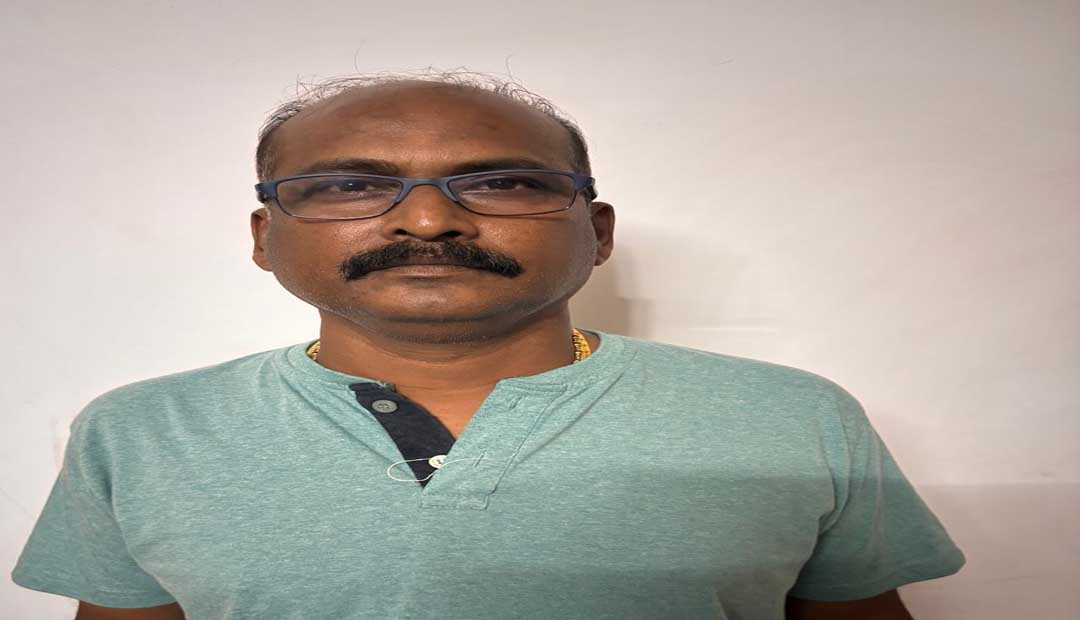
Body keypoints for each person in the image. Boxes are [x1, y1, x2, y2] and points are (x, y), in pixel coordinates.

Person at [11, 70, 965, 620]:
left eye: (503, 183)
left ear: (596, 231)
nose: (428, 220)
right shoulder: (142, 432)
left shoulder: (790, 419)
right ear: (265, 238)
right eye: (349, 185)